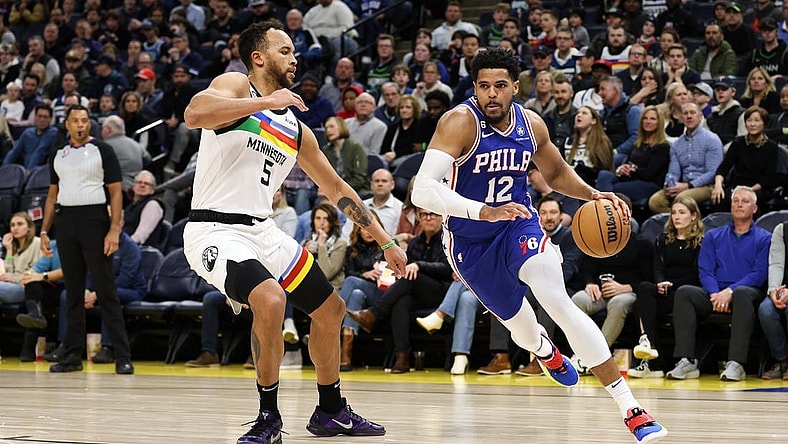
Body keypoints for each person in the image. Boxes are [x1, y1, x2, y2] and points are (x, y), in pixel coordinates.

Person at [407, 47, 667, 442]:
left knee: (557, 300)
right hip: (469, 242)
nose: (491, 94)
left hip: (518, 224)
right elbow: (422, 193)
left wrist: (591, 194)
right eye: (483, 87)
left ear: (515, 86)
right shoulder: (458, 122)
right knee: (524, 331)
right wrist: (483, 212)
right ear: (474, 88)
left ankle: (631, 407)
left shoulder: (532, 125)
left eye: (499, 86)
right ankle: (544, 350)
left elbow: (558, 172)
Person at [181, 21, 406, 442]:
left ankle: (331, 410)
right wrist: (264, 102)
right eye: (284, 50)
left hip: (262, 231)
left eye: (294, 51)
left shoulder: (297, 128)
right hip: (213, 229)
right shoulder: (235, 85)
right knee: (270, 299)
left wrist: (386, 241)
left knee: (331, 309)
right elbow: (194, 114)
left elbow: (338, 189)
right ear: (258, 57)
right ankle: (269, 419)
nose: (294, 57)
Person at [39, 104, 134, 375]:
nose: (80, 125)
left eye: (84, 120)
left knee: (106, 291)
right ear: (67, 124)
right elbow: (51, 196)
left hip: (95, 220)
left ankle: (122, 355)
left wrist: (114, 229)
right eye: (75, 121)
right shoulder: (58, 153)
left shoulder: (103, 150)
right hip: (65, 221)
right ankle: (71, 356)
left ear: (89, 124)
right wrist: (45, 231)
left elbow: (116, 193)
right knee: (72, 292)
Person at [666, 186, 770, 381]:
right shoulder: (714, 236)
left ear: (754, 209)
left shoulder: (764, 238)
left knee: (742, 293)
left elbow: (759, 274)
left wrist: (729, 291)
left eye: (745, 201)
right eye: (735, 200)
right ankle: (687, 361)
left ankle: (736, 363)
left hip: (747, 294)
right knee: (685, 292)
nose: (739, 204)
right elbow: (705, 270)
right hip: (715, 294)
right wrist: (715, 293)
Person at [346, 208, 453, 373]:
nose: (428, 218)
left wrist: (419, 265)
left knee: (412, 276)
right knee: (401, 302)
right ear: (419, 219)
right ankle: (402, 356)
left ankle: (374, 313)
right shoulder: (416, 243)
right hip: (415, 291)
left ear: (441, 218)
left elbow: (447, 268)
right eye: (424, 215)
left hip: (441, 293)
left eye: (433, 214)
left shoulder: (447, 240)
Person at [628, 196, 703, 379]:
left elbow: (697, 274)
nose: (676, 217)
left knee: (642, 307)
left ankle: (654, 363)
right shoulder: (662, 240)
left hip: (685, 292)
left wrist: (672, 285)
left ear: (693, 216)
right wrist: (660, 282)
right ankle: (649, 347)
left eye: (682, 213)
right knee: (645, 289)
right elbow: (657, 267)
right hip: (664, 289)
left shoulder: (700, 242)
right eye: (674, 213)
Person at [648, 101, 724, 214]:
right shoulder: (676, 144)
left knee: (682, 199)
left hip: (706, 186)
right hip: (683, 185)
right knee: (655, 201)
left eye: (692, 113)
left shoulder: (712, 139)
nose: (689, 116)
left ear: (700, 117)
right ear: (681, 118)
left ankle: (689, 225)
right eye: (685, 113)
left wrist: (688, 185)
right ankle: (679, 223)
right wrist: (670, 183)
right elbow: (673, 172)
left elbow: (713, 172)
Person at [338, 212, 386, 371]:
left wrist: (379, 274)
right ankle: (346, 354)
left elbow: (395, 275)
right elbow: (349, 273)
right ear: (357, 230)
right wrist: (364, 274)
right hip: (360, 295)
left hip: (382, 294)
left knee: (352, 282)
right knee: (356, 295)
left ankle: (332, 322)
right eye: (363, 227)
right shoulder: (351, 250)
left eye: (370, 227)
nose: (367, 231)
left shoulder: (388, 247)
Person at [596, 105, 670, 203]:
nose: (648, 122)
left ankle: (604, 209)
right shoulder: (637, 143)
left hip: (649, 184)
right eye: (645, 118)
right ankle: (602, 207)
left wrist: (632, 171)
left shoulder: (662, 147)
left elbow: (650, 174)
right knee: (604, 175)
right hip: (631, 178)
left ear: (659, 123)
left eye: (652, 119)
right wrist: (621, 170)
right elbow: (627, 163)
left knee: (615, 189)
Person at [711, 106, 779, 211]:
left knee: (747, 202)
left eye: (757, 120)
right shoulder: (738, 143)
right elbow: (723, 168)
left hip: (759, 188)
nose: (752, 124)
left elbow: (768, 178)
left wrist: (749, 190)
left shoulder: (771, 146)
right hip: (737, 186)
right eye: (749, 120)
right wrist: (718, 185)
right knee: (719, 198)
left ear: (764, 123)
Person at [758, 221, 788, 380]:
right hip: (783, 289)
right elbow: (776, 264)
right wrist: (773, 291)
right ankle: (783, 360)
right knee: (766, 310)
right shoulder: (782, 229)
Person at [320, 116, 369, 197]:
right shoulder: (326, 150)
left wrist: (341, 190)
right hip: (333, 191)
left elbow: (360, 178)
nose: (328, 130)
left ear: (341, 127)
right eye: (326, 128)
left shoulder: (356, 147)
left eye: (331, 126)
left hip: (357, 190)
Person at [1, 212, 42, 304]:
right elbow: (8, 272)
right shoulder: (13, 247)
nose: (15, 228)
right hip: (9, 286)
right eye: (12, 225)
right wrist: (9, 249)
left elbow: (37, 273)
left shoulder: (37, 243)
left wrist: (15, 279)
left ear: (29, 227)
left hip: (27, 289)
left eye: (20, 224)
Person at [123, 170, 165, 246]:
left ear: (152, 190)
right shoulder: (131, 205)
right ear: (133, 186)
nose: (142, 185)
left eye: (147, 184)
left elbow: (140, 237)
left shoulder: (153, 205)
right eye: (139, 182)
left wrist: (122, 247)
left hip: (138, 251)